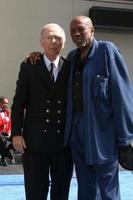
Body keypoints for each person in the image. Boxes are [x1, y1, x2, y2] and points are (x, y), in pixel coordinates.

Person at [25, 16, 133, 200]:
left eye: (81, 29)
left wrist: (125, 139)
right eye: (72, 30)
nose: (76, 33)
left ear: (92, 30)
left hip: (103, 133)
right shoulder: (73, 58)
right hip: (76, 132)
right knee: (85, 184)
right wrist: (36, 56)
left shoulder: (107, 51)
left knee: (107, 187)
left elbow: (122, 96)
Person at [11, 23, 73, 200]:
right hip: (34, 141)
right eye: (49, 37)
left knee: (61, 191)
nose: (54, 41)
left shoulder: (69, 67)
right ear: (41, 41)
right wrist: (16, 133)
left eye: (58, 38)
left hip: (63, 143)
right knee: (35, 190)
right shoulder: (29, 65)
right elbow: (18, 103)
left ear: (64, 42)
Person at [0, 96, 14, 166]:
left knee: (15, 138)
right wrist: (6, 119)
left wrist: (9, 132)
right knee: (3, 140)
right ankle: (4, 158)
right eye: (4, 103)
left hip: (4, 132)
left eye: (7, 103)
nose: (7, 105)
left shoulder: (7, 112)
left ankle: (7, 151)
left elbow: (9, 124)